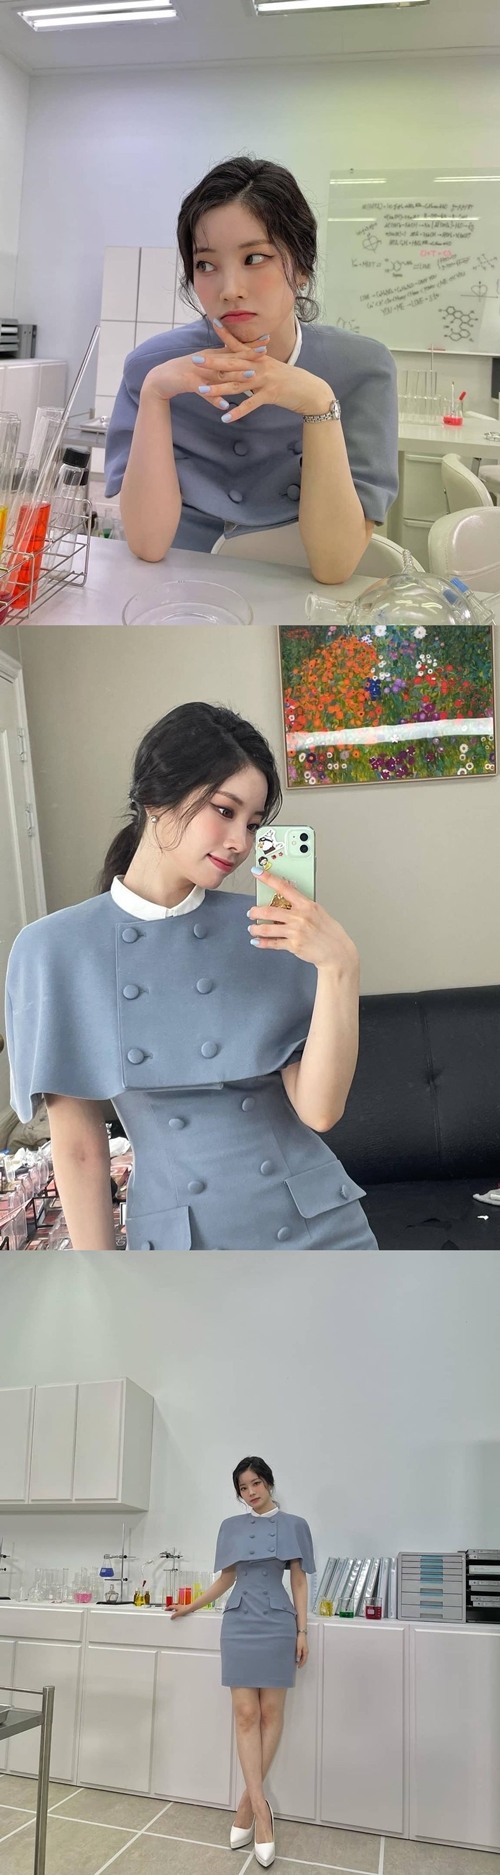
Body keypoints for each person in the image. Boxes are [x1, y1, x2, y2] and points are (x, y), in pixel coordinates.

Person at [5, 702, 378, 1252]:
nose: (240, 842)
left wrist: (340, 967)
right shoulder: (55, 949)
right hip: (183, 1243)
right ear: (156, 798)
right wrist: (98, 1277)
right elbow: (80, 1149)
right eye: (224, 810)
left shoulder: (271, 929)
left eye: (253, 823)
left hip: (319, 1231)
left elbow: (319, 1111)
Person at [105, 155, 398, 580]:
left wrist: (318, 403)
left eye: (255, 258)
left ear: (301, 265)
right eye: (206, 265)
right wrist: (154, 394)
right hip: (180, 585)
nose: (230, 290)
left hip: (297, 587)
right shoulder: (153, 368)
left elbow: (335, 565)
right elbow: (148, 545)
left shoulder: (361, 369)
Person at [171, 1455, 315, 1868]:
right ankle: (261, 1812)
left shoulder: (295, 1525)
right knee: (246, 1715)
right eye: (242, 1488)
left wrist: (303, 1631)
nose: (250, 1492)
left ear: (268, 1482)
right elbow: (226, 1579)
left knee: (270, 1714)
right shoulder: (230, 1527)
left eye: (255, 1484)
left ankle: (248, 1807)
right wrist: (190, 1606)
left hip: (277, 1623)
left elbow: (299, 1580)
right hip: (239, 1623)